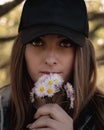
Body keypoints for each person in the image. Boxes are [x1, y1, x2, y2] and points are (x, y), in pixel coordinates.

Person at [0, 0, 104, 130]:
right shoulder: (2, 111)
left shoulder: (101, 116)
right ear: (21, 50)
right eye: (37, 42)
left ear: (82, 53)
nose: (50, 59)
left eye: (65, 43)